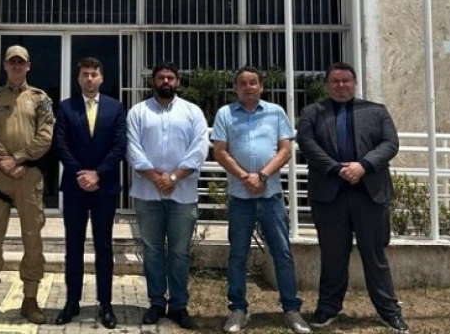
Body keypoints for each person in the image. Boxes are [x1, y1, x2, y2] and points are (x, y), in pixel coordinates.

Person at [297, 62, 409, 333]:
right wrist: (338, 169)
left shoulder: (376, 111)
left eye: (346, 80)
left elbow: (390, 144)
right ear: (327, 85)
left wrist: (364, 166)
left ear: (355, 83)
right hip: (330, 195)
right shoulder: (312, 112)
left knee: (375, 256)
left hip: (369, 193)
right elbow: (307, 144)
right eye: (335, 81)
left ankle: (389, 312)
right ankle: (327, 309)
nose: (341, 85)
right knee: (333, 256)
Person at [211, 66, 311, 334]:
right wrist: (246, 177)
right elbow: (220, 151)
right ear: (236, 88)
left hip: (271, 195)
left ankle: (291, 310)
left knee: (282, 252)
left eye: (253, 82)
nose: (248, 87)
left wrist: (263, 175)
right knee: (238, 254)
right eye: (243, 83)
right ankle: (238, 309)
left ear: (261, 87)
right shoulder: (225, 114)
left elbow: (286, 150)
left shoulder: (276, 112)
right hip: (240, 196)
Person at [126, 62, 209, 330]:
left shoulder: (192, 112)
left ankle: (179, 305)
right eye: (161, 77)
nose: (165, 81)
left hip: (182, 194)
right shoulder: (138, 112)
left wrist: (172, 178)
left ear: (177, 82)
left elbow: (199, 149)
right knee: (151, 250)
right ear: (153, 82)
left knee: (179, 252)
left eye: (170, 77)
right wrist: (157, 178)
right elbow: (133, 149)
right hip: (147, 194)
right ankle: (156, 302)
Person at [0, 45, 54, 325]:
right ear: (5, 65)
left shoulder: (40, 99)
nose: (17, 66)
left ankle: (30, 300)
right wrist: (4, 160)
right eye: (12, 62)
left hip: (28, 176)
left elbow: (45, 135)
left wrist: (19, 158)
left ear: (28, 66)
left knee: (32, 240)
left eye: (21, 62)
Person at [53, 57, 127, 329]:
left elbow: (120, 147)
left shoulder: (115, 107)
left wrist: (98, 174)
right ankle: (72, 301)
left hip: (104, 188)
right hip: (75, 188)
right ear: (78, 78)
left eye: (94, 74)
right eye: (85, 74)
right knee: (73, 246)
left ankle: (105, 303)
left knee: (103, 246)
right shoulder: (66, 107)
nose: (89, 78)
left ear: (101, 78)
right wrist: (81, 174)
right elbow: (60, 145)